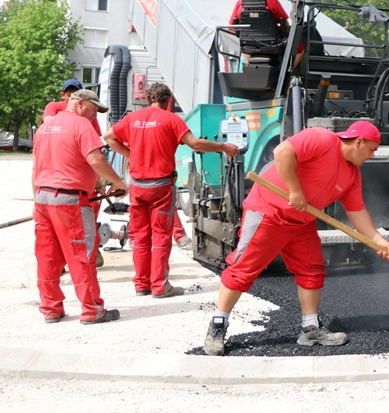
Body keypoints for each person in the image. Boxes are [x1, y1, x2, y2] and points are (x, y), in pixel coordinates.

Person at [202, 120, 389, 356]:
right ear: (359, 142)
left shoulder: (352, 175)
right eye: (372, 149)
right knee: (243, 270)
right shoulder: (322, 139)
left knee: (312, 270)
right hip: (268, 212)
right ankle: (218, 326)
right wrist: (295, 190)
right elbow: (282, 152)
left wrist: (377, 239)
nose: (372, 156)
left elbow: (357, 212)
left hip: (301, 221)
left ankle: (310, 328)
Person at [103, 83, 239, 298]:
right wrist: (223, 147)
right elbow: (194, 144)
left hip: (138, 186)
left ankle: (141, 285)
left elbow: (109, 137)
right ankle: (159, 286)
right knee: (161, 236)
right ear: (169, 101)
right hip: (160, 187)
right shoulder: (172, 119)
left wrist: (131, 155)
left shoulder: (132, 119)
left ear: (148, 100)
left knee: (140, 236)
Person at [31, 89, 127, 324]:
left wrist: (37, 202)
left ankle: (51, 309)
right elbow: (95, 159)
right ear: (80, 103)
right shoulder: (81, 125)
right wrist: (118, 182)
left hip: (43, 198)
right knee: (81, 255)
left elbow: (38, 167)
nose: (95, 116)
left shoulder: (45, 128)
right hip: (71, 201)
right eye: (94, 110)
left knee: (47, 257)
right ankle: (92, 310)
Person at [43, 78, 106, 268]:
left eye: (75, 91)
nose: (71, 94)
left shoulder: (89, 118)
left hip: (80, 168)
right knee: (56, 225)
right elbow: (50, 125)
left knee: (90, 214)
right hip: (57, 166)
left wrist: (99, 181)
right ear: (63, 95)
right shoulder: (54, 108)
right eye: (68, 92)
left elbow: (93, 149)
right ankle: (63, 261)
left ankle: (92, 250)